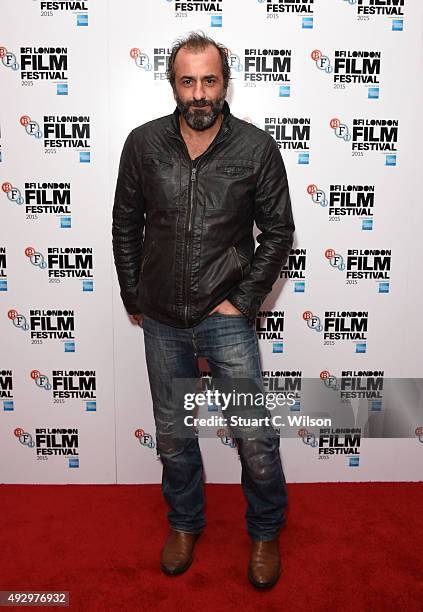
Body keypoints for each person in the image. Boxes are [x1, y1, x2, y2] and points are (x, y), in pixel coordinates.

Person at [112, 31, 295, 589]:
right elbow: (125, 228)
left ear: (225, 83)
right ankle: (185, 524)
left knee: (256, 438)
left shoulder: (255, 148)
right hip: (162, 320)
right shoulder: (142, 145)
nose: (199, 93)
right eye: (187, 81)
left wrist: (242, 301)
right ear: (173, 85)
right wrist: (134, 296)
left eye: (208, 81)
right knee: (173, 436)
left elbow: (279, 232)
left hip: (226, 319)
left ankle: (264, 531)